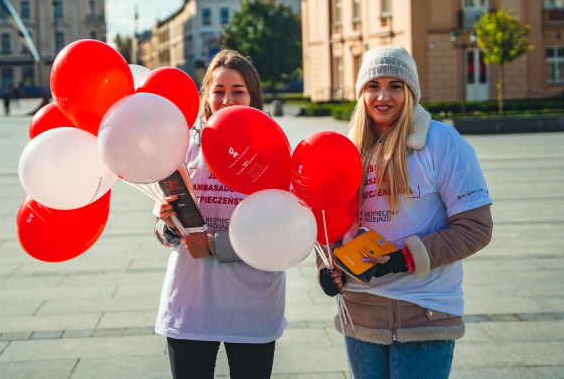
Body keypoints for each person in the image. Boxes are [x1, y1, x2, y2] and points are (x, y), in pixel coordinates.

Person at [317, 46, 493, 379]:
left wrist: (403, 259)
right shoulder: (346, 149)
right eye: (373, 86)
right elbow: (328, 222)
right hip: (361, 313)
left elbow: (476, 228)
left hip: (425, 312)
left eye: (395, 85)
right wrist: (327, 268)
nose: (382, 96)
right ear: (361, 93)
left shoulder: (441, 142)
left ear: (410, 91)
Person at [154, 49, 286, 379]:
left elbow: (279, 236)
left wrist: (212, 245)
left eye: (238, 91)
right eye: (219, 91)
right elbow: (161, 231)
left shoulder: (274, 150)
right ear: (207, 96)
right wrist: (168, 225)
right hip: (191, 306)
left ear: (253, 96)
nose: (227, 100)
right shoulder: (184, 147)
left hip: (252, 306)